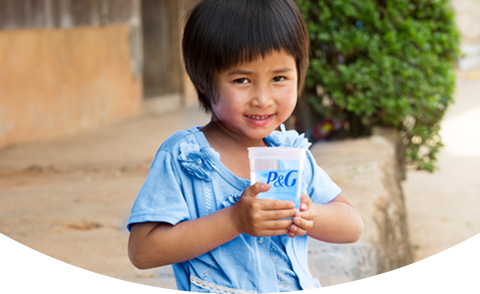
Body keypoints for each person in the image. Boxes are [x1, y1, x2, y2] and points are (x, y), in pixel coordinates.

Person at [127, 0, 363, 292]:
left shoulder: (290, 152)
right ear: (202, 79)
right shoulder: (186, 157)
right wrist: (234, 220)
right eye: (242, 80)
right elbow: (143, 250)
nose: (262, 99)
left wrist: (312, 214)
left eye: (279, 78)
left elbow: (352, 225)